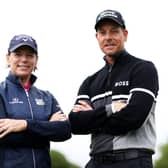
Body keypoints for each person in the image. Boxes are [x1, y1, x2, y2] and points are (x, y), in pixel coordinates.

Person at [69, 9, 159, 168]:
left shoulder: (143, 69)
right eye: (102, 32)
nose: (108, 37)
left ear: (125, 34)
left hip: (133, 161)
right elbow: (75, 124)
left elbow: (134, 117)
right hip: (96, 162)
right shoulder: (90, 82)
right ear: (97, 37)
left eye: (114, 31)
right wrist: (111, 109)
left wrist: (92, 118)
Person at [0, 34, 71, 168]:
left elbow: (64, 131)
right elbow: (6, 136)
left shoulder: (47, 97)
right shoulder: (1, 93)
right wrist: (47, 127)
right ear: (8, 58)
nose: (24, 59)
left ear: (36, 60)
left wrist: (25, 125)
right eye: (18, 54)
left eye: (29, 55)